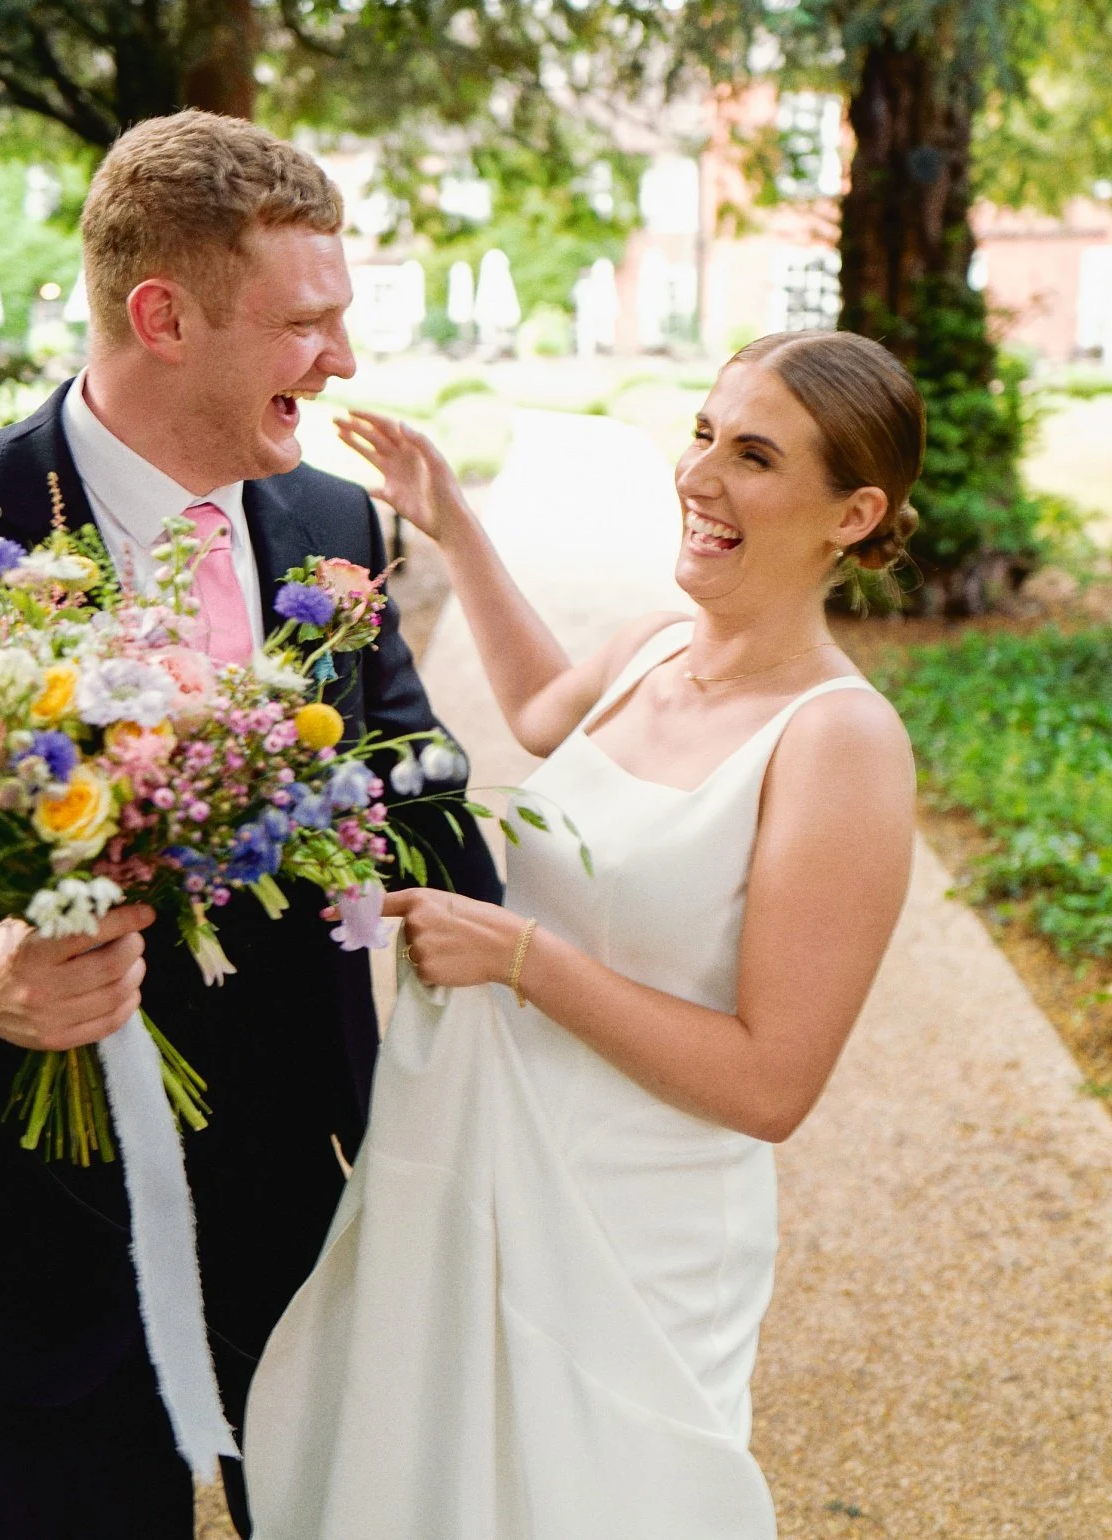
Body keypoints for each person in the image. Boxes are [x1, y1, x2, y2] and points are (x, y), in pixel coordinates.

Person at [0, 111, 499, 1539]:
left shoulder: (339, 524)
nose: (339, 360)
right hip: (40, 1226)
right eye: (303, 324)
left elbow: (419, 782)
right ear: (162, 317)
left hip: (306, 1189)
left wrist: (560, 941)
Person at [244, 330, 922, 1536]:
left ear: (851, 514)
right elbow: (535, 706)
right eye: (705, 434)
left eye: (754, 456)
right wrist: (453, 521)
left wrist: (521, 958)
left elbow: (772, 1083)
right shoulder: (651, 647)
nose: (699, 477)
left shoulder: (838, 742)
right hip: (484, 1157)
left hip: (640, 1229)